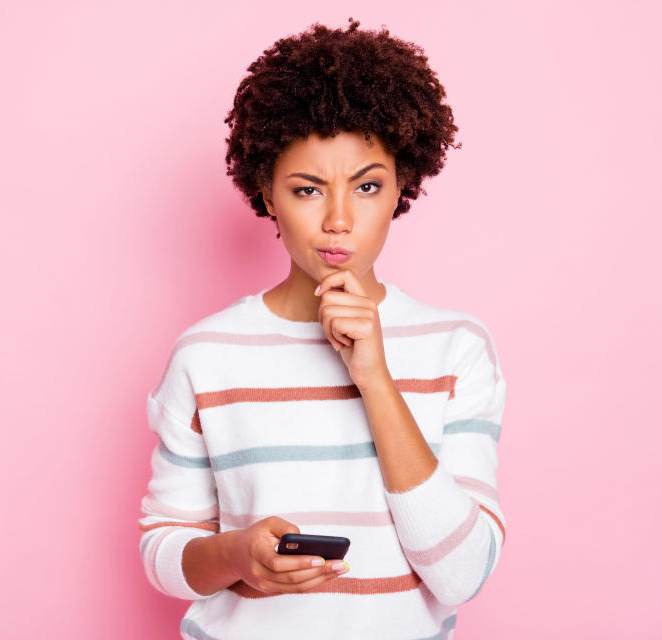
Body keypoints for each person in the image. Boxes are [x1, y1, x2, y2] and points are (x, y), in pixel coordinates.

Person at [138, 18, 507, 640]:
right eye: (308, 189)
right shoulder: (207, 356)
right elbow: (163, 550)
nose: (339, 219)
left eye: (367, 186)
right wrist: (237, 557)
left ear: (400, 189)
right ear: (267, 192)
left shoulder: (457, 349)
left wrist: (375, 378)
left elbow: (463, 574)